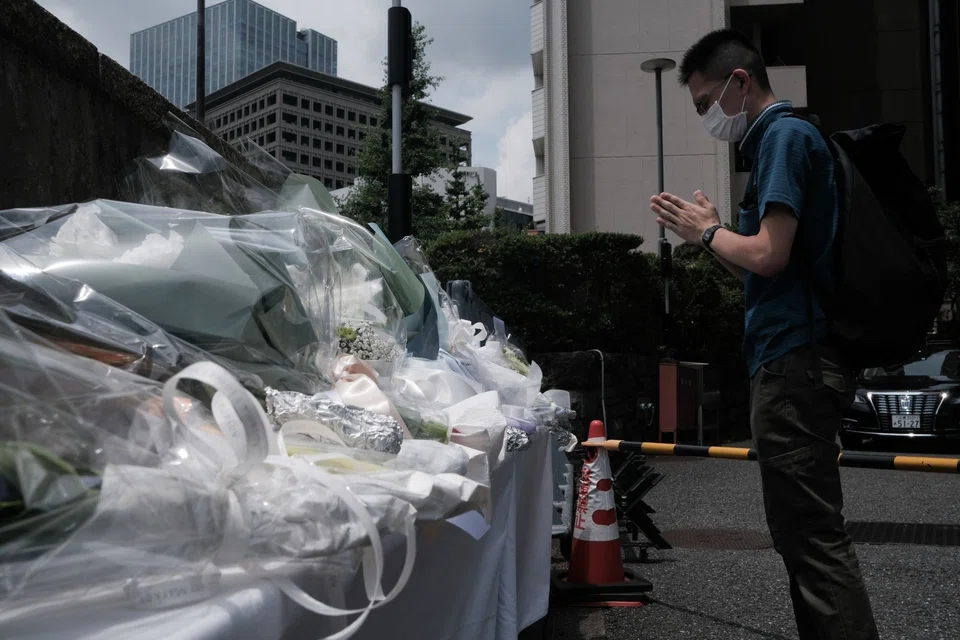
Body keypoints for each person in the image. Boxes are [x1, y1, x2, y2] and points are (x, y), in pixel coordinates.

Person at [649, 29, 879, 639]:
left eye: (705, 103)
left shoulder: (781, 137)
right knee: (801, 535)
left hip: (795, 362)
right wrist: (710, 234)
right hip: (797, 358)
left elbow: (770, 254)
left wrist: (707, 233)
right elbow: (758, 266)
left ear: (740, 82)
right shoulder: (786, 140)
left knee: (810, 535)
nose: (706, 117)